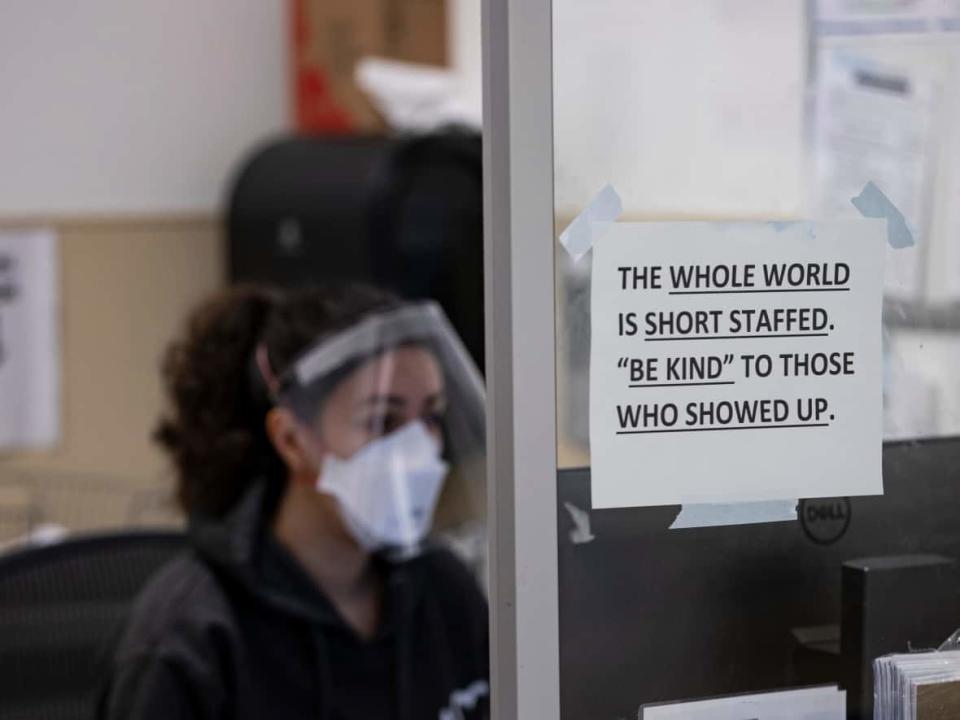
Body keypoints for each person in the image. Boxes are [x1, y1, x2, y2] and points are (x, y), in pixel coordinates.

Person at [100, 284, 489, 720]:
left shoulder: (444, 593)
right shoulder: (192, 633)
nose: (417, 449)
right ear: (291, 439)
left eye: (431, 417)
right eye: (382, 420)